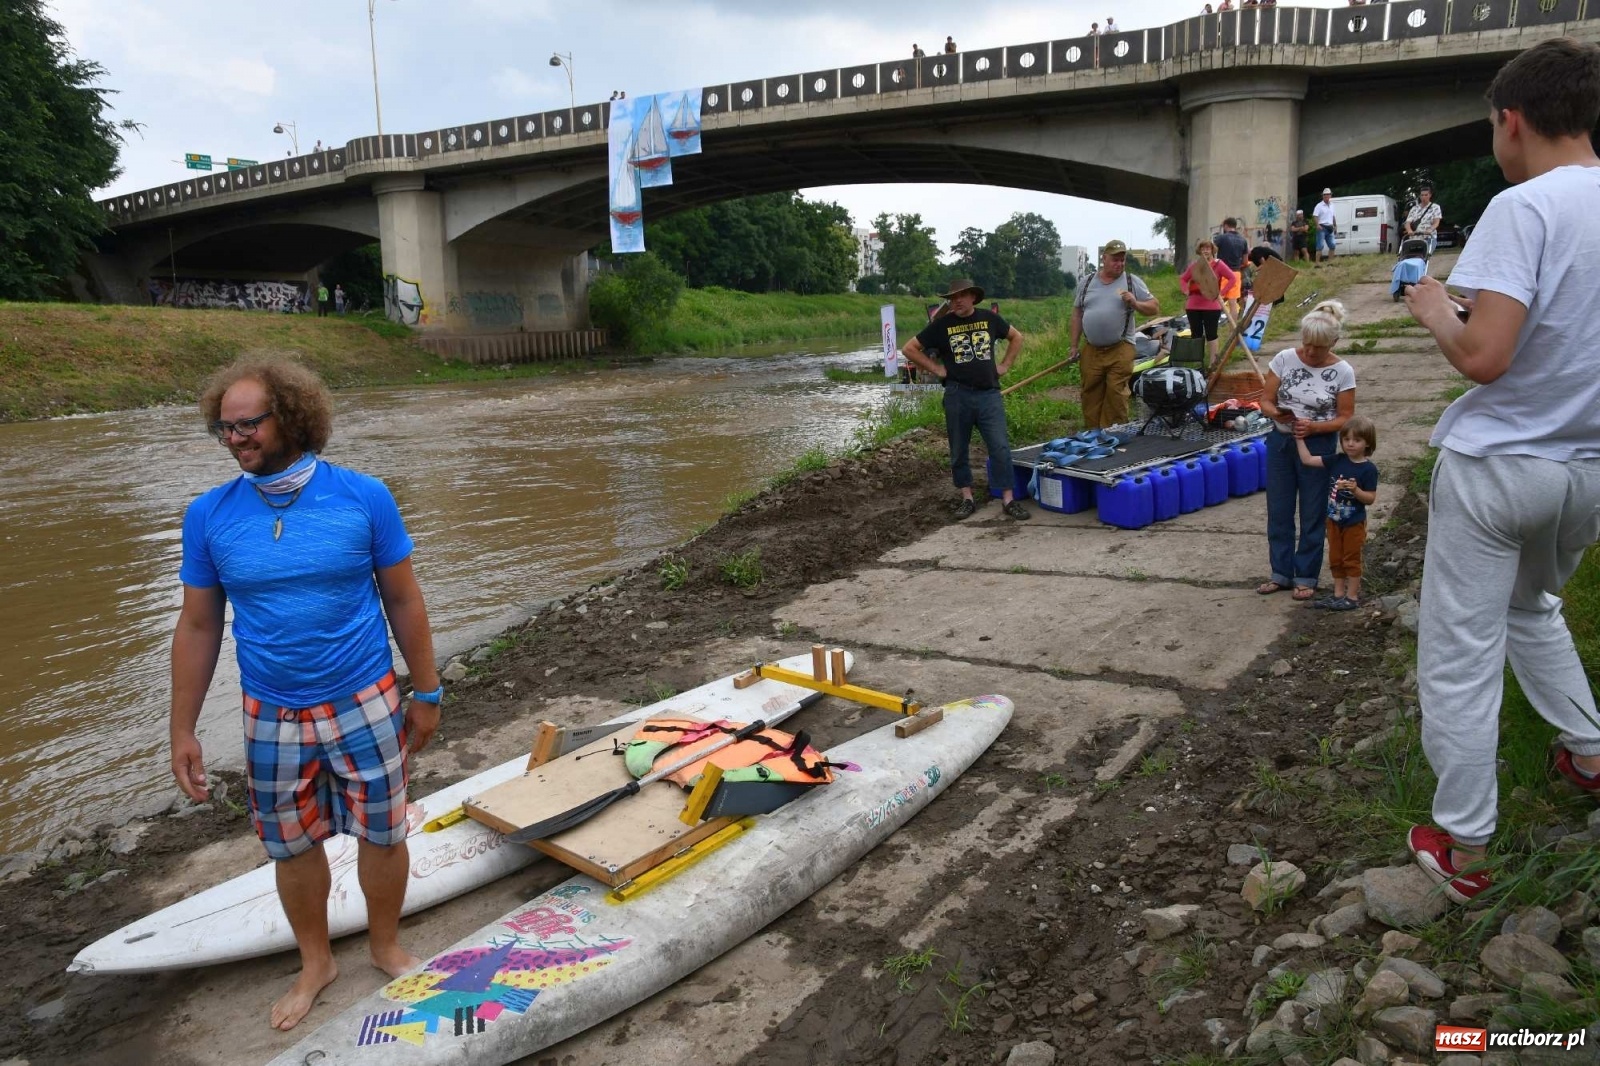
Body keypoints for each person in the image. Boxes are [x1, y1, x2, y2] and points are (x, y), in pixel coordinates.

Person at [170, 358, 441, 1030]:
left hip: (365, 698)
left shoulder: (364, 496)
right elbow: (199, 623)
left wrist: (427, 690)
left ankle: (384, 946)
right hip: (270, 710)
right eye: (224, 428)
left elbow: (404, 599)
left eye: (248, 424)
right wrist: (183, 728)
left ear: (292, 417)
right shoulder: (209, 516)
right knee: (289, 844)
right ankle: (315, 962)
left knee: (383, 831)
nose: (235, 439)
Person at [1402, 36, 1600, 904]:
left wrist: (1434, 307)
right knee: (1533, 606)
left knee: (1459, 651)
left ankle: (1466, 845)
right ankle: (1589, 753)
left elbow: (1484, 356)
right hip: (1585, 470)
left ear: (1511, 121)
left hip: (1498, 467)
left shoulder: (1526, 207)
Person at [901, 279, 1029, 521]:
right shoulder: (941, 325)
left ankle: (1009, 499)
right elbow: (909, 348)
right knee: (958, 449)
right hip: (957, 394)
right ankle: (967, 497)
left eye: (961, 296)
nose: (956, 301)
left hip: (988, 394)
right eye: (952, 298)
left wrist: (1005, 365)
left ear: (973, 297)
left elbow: (1017, 337)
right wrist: (936, 369)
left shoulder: (989, 319)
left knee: (1000, 447)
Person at [1256, 300, 1356, 601]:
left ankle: (1306, 576)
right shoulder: (1284, 359)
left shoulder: (1343, 371)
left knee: (1312, 513)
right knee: (1279, 510)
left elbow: (1345, 417)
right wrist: (1275, 413)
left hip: (1318, 447)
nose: (1311, 353)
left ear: (1334, 343)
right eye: (1307, 345)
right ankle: (1280, 573)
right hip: (1281, 443)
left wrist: (1314, 428)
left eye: (1319, 348)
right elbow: (1265, 400)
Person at [1070, 240, 1160, 429]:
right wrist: (1073, 345)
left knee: (1116, 393)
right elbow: (1077, 314)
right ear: (1104, 258)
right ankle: (1093, 435)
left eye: (1122, 260)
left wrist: (1135, 303)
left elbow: (1154, 307)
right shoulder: (1086, 282)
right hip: (1091, 349)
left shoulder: (1131, 281)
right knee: (1090, 393)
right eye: (1115, 260)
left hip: (1120, 348)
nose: (1119, 264)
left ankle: (1115, 435)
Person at [1295, 415, 1379, 610]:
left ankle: (1352, 597)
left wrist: (1355, 490)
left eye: (1357, 440)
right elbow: (1307, 459)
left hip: (1354, 523)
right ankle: (1338, 594)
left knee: (1351, 558)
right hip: (1333, 520)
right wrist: (1299, 438)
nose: (1350, 444)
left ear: (1368, 443)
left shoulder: (1368, 469)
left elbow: (1371, 498)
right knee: (1335, 557)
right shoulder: (1337, 460)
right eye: (1346, 439)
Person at [1179, 239, 1237, 365]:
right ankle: (1198, 363)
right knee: (1196, 335)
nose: (1205, 250)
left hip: (1211, 306)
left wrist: (1221, 293)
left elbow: (1232, 278)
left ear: (1212, 250)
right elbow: (1183, 279)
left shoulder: (1219, 265)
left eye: (1208, 248)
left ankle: (1212, 363)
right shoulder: (1194, 266)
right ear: (1199, 251)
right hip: (1193, 306)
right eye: (1203, 248)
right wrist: (1185, 291)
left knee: (1212, 334)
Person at [1215, 217, 1249, 319]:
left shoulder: (1221, 238)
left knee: (1218, 299)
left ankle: (1213, 323)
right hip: (1236, 274)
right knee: (1233, 303)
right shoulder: (1243, 240)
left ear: (1226, 225)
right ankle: (1232, 330)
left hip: (1223, 273)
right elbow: (1245, 262)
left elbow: (1212, 251)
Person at [1403, 184, 1443, 255]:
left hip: (1428, 237)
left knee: (1424, 256)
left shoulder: (1435, 207)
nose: (1423, 197)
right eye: (1422, 195)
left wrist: (1430, 230)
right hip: (1415, 237)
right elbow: (1407, 222)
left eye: (1426, 195)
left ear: (1430, 195)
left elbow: (1436, 222)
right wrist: (1409, 230)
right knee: (1410, 255)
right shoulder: (1414, 208)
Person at [1312, 189, 1338, 263]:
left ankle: (1330, 262)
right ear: (1323, 196)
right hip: (1322, 227)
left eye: (1328, 194)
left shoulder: (1332, 205)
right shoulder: (1319, 205)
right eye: (1325, 195)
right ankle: (1317, 263)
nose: (1326, 196)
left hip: (1330, 227)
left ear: (1330, 195)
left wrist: (1335, 226)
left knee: (1332, 245)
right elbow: (1315, 216)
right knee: (1320, 246)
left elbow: (1333, 216)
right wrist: (1317, 225)